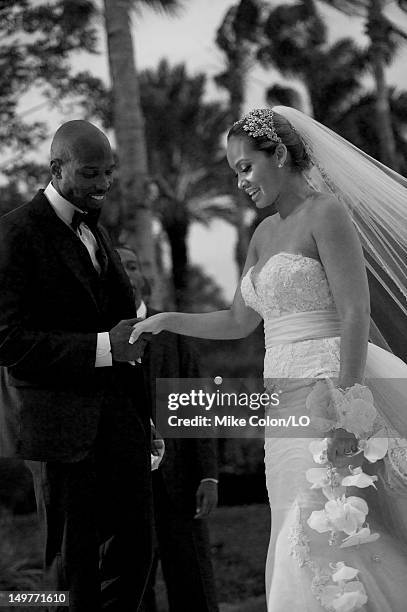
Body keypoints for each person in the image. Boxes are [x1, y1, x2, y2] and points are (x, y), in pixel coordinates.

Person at [129, 107, 407, 611]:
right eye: (234, 172)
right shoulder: (261, 233)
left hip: (327, 391)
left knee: (323, 525)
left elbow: (354, 312)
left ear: (278, 154)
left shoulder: (327, 213)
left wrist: (347, 405)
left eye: (245, 168)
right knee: (294, 524)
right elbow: (239, 322)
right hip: (281, 406)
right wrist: (168, 318)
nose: (241, 183)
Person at [0, 120, 153, 612]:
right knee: (71, 568)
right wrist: (102, 349)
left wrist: (144, 417)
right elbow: (10, 342)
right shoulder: (14, 232)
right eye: (91, 173)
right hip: (59, 431)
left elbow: (123, 325)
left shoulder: (99, 229)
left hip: (122, 426)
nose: (104, 184)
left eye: (109, 172)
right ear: (57, 169)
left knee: (137, 551)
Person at [117, 246, 219, 612]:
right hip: (121, 489)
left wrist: (208, 476)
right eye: (118, 266)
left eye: (133, 265)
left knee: (194, 586)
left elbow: (195, 405)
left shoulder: (172, 331)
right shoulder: (98, 339)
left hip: (179, 485)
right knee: (132, 590)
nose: (127, 274)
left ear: (144, 275)